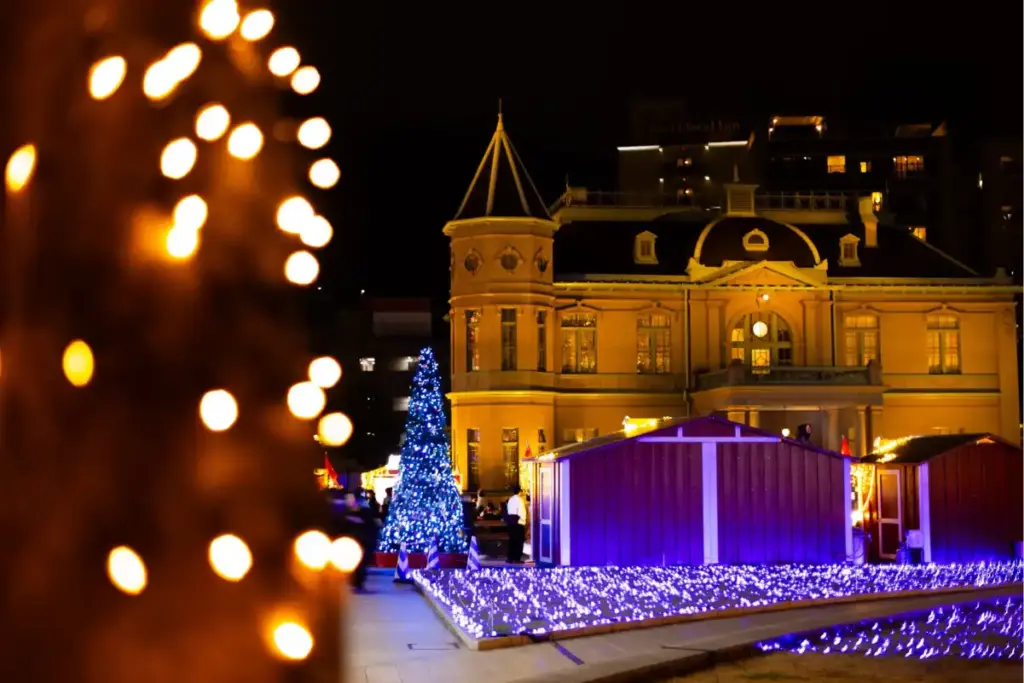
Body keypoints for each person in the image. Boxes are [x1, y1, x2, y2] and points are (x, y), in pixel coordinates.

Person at [339, 490, 372, 591]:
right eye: (346, 498)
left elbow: (369, 524)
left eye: (349, 498)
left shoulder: (364, 511)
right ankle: (354, 582)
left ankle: (359, 583)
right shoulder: (345, 512)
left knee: (361, 563)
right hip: (350, 541)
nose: (348, 500)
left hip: (363, 541)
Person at [505, 484, 527, 564]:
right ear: (519, 491)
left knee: (512, 541)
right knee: (519, 541)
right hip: (518, 523)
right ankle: (517, 558)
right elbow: (521, 512)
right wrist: (523, 520)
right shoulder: (519, 500)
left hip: (511, 522)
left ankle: (510, 558)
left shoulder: (510, 499)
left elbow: (509, 510)